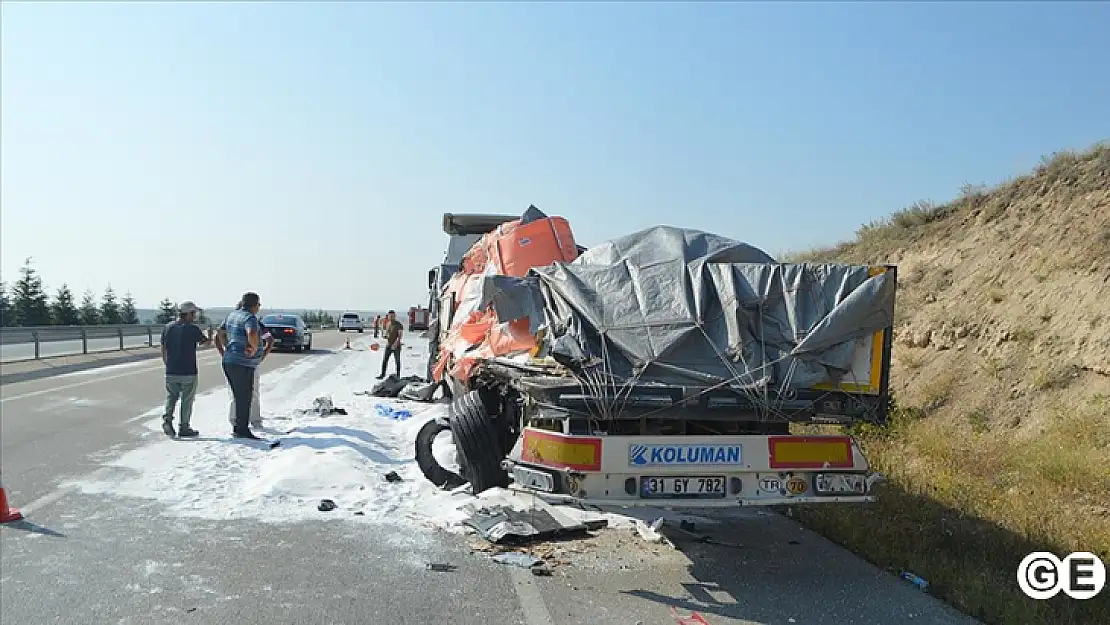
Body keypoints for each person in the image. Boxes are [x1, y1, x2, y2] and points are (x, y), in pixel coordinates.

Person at [217, 292, 266, 440]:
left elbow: (220, 332)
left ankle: (238, 427)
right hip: (242, 363)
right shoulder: (249, 318)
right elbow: (251, 332)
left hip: (229, 360)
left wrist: (227, 346)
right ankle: (242, 430)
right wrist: (254, 347)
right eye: (259, 305)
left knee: (239, 396)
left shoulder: (232, 315)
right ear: (255, 305)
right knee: (245, 396)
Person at [161, 301, 211, 438]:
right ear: (188, 314)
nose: (194, 316)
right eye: (193, 313)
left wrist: (167, 363)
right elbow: (206, 343)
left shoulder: (168, 327)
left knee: (171, 397)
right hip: (188, 370)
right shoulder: (192, 329)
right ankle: (184, 427)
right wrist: (208, 335)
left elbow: (163, 348)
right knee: (187, 400)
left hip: (171, 369)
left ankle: (167, 420)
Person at [376, 309, 404, 379]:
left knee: (397, 361)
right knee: (385, 360)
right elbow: (387, 333)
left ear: (395, 316)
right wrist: (385, 336)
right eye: (390, 316)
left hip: (396, 346)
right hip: (388, 344)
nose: (391, 317)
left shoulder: (398, 324)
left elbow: (400, 336)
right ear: (388, 316)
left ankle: (398, 376)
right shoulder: (388, 323)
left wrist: (396, 344)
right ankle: (382, 374)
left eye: (392, 316)